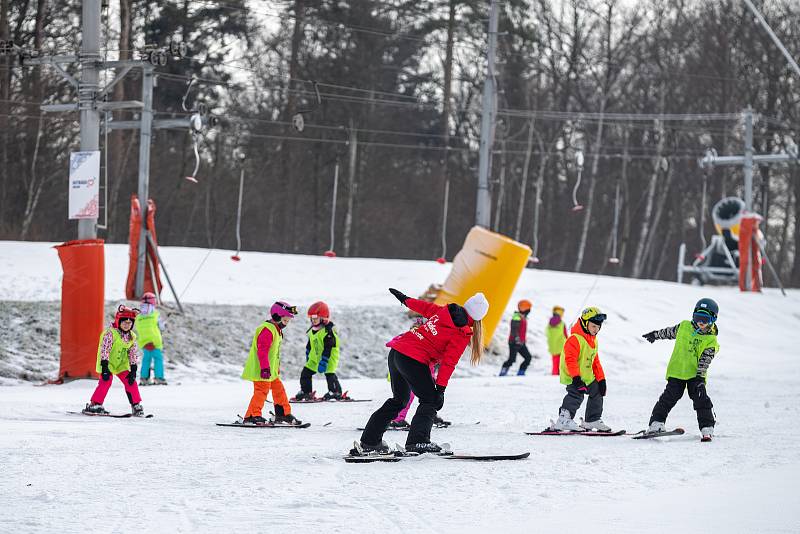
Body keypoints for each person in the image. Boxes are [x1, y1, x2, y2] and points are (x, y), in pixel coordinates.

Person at [352, 288, 488, 456]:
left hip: (397, 352)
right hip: (412, 359)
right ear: (478, 318)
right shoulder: (462, 332)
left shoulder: (444, 311)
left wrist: (405, 299)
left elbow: (423, 307)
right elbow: (448, 363)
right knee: (430, 400)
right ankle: (418, 442)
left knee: (399, 400)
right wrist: (441, 390)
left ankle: (369, 441)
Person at [642, 298, 720, 441]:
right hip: (677, 372)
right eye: (698, 318)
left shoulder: (711, 341)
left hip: (695, 376)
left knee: (701, 399)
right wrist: (655, 334)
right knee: (668, 398)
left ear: (713, 319)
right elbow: (669, 332)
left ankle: (707, 427)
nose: (700, 322)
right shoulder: (684, 326)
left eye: (705, 319)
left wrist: (700, 379)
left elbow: (705, 361)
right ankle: (656, 423)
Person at [240, 301, 302, 425]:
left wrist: (275, 368)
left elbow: (274, 353)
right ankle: (252, 415)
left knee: (279, 389)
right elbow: (262, 352)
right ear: (276, 316)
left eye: (288, 321)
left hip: (270, 371)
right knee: (261, 391)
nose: (286, 324)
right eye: (285, 321)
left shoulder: (276, 329)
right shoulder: (267, 330)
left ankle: (282, 414)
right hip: (261, 370)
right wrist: (265, 368)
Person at [552, 307, 610, 432]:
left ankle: (592, 420)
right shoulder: (575, 339)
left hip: (587, 377)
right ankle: (564, 420)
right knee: (576, 395)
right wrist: (577, 379)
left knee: (597, 391)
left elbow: (596, 362)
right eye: (594, 326)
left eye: (598, 327)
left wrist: (601, 380)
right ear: (585, 323)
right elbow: (570, 360)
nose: (596, 330)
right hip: (574, 376)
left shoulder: (593, 340)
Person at [83, 305, 145, 416]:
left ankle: (136, 405)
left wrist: (133, 368)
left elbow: (132, 353)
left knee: (131, 382)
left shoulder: (132, 336)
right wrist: (105, 366)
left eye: (130, 323)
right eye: (124, 323)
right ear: (118, 321)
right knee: (106, 381)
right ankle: (95, 404)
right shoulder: (110, 334)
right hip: (108, 363)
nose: (127, 325)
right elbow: (105, 349)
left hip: (121, 364)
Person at [294, 301, 344, 401]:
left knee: (329, 374)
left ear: (323, 318)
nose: (313, 320)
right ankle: (306, 392)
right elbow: (310, 344)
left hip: (328, 358)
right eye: (312, 318)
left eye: (316, 318)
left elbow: (328, 348)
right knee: (305, 373)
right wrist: (308, 354)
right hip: (315, 358)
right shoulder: (313, 330)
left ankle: (335, 392)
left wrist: (324, 361)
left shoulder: (328, 332)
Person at [136, 292, 167, 386]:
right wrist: (164, 324)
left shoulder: (138, 317)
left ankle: (144, 378)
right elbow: (162, 327)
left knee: (146, 360)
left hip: (144, 342)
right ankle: (159, 378)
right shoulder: (155, 314)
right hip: (155, 342)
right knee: (158, 359)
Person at [499, 299, 533, 376]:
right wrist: (516, 339)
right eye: (528, 309)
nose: (529, 310)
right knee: (511, 360)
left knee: (528, 358)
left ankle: (521, 373)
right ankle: (502, 373)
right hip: (514, 342)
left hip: (521, 343)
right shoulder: (516, 317)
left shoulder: (522, 317)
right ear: (524, 309)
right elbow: (514, 329)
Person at [546, 305, 568, 376]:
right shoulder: (562, 323)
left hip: (553, 346)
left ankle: (554, 374)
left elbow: (548, 333)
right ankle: (561, 375)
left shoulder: (549, 323)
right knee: (562, 363)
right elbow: (565, 335)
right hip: (561, 345)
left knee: (555, 362)